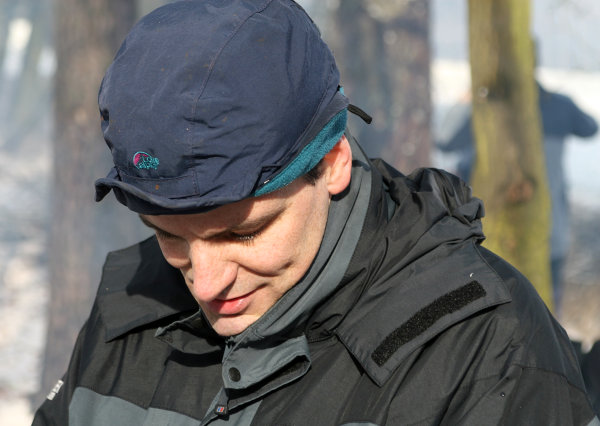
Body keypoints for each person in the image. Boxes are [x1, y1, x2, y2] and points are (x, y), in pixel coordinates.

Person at [34, 1, 598, 425]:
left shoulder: (484, 351)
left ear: (332, 164)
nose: (205, 282)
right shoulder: (132, 306)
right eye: (169, 235)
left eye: (243, 233)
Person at [437, 82, 598, 316]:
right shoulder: (557, 106)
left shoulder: (484, 106)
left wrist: (466, 102)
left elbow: (445, 140)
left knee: (490, 313)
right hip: (551, 230)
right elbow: (589, 127)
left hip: (490, 235)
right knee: (544, 314)